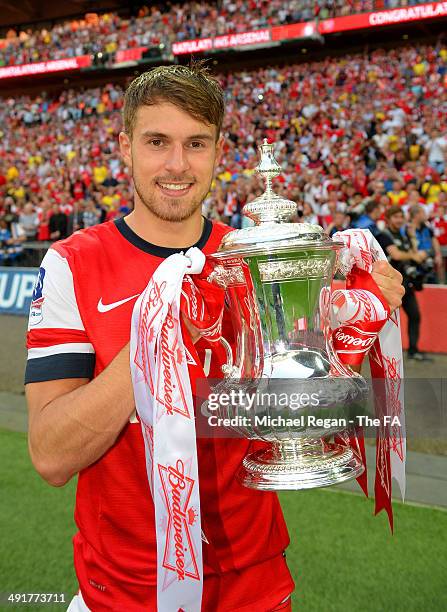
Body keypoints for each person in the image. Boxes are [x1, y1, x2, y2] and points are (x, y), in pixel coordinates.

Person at [25, 64, 404, 612]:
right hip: (121, 591)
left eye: (195, 144)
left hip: (253, 583)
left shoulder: (259, 260)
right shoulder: (73, 264)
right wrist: (154, 339)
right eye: (157, 142)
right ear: (126, 147)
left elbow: (318, 411)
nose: (177, 165)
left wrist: (356, 311)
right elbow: (50, 456)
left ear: (219, 152)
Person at [377, 205, 432, 361]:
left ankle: (413, 350)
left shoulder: (402, 235)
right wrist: (414, 256)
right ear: (388, 219)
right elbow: (396, 254)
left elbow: (413, 252)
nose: (399, 220)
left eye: (401, 216)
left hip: (405, 284)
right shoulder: (384, 235)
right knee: (386, 321)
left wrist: (413, 237)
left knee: (415, 316)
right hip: (389, 286)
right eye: (395, 217)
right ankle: (380, 354)